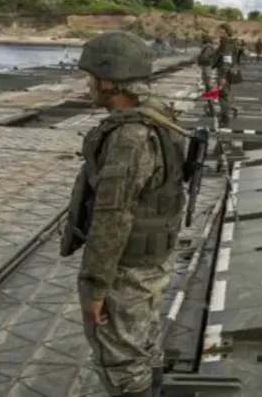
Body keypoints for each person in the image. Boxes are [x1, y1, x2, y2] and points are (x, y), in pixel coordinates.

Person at [60, 31, 187, 397]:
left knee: (122, 367)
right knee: (144, 350)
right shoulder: (160, 118)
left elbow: (112, 218)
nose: (87, 84)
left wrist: (95, 287)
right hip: (152, 261)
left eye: (90, 77)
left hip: (126, 273)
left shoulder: (129, 138)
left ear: (110, 81)